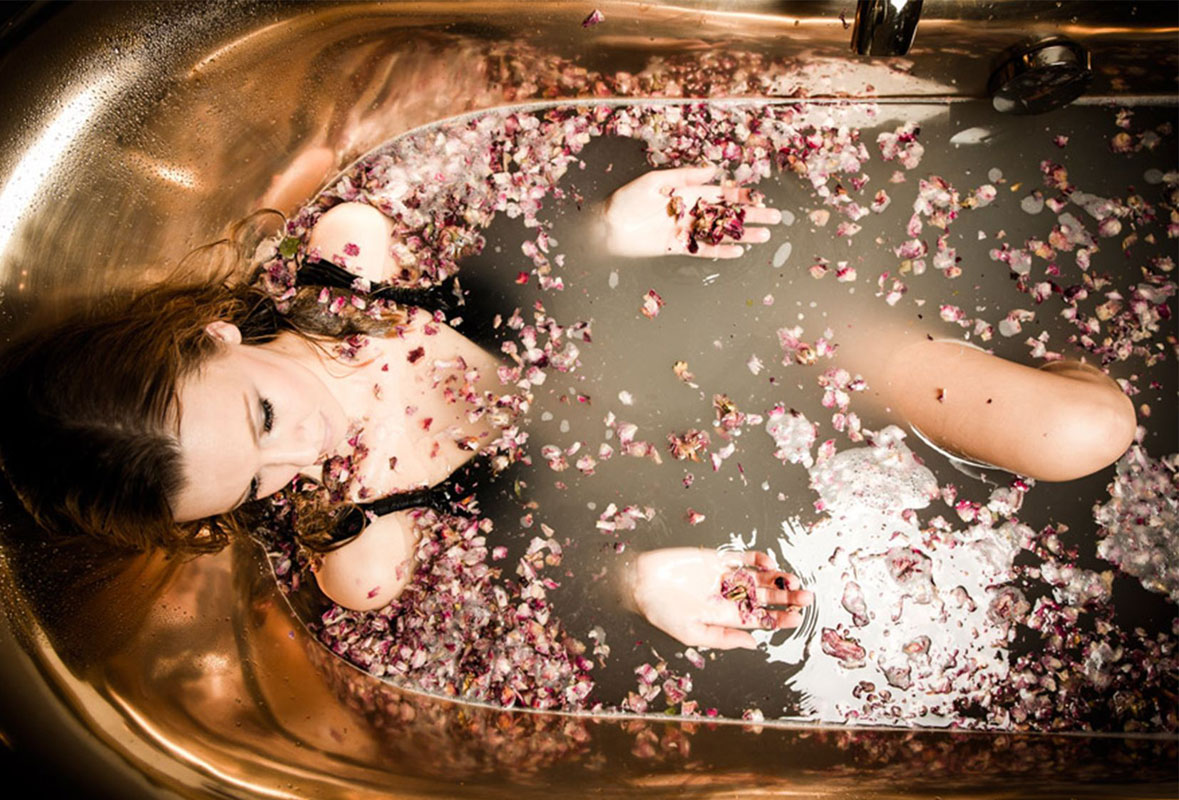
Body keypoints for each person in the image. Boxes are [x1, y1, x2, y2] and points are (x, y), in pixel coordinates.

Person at [0, 166, 1134, 652]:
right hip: (728, 479)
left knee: (1077, 429)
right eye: (254, 486)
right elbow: (533, 558)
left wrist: (613, 229)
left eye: (257, 417)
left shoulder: (352, 259)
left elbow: (520, 254)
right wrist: (638, 582)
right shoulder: (355, 550)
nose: (304, 450)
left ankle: (978, 345)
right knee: (1091, 436)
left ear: (216, 336)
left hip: (770, 331)